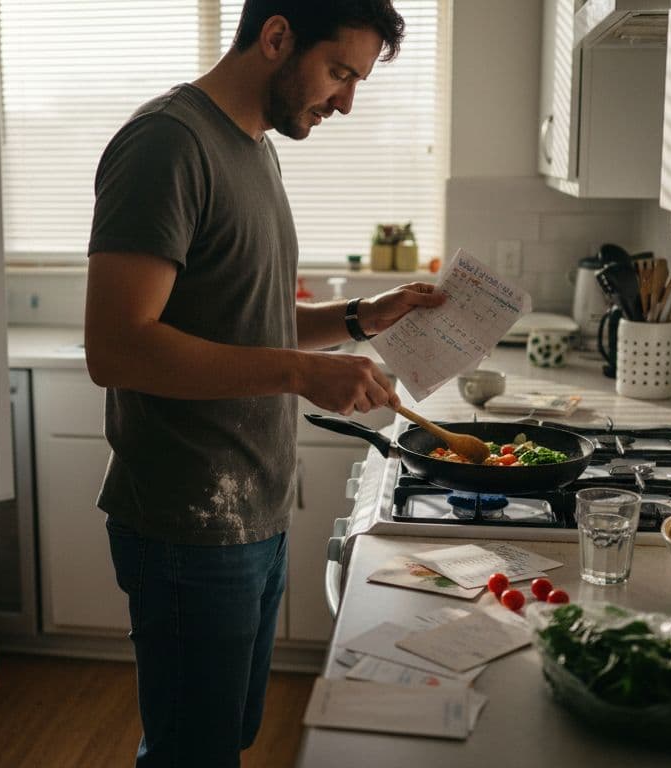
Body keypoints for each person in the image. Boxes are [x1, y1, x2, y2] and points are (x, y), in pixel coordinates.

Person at [84, 2, 444, 765]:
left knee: (228, 737)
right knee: (193, 753)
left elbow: (250, 315)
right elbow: (116, 348)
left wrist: (359, 317)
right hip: (188, 523)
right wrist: (299, 372)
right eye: (340, 72)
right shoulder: (167, 145)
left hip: (255, 509)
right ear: (277, 37)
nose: (346, 102)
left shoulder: (255, 148)